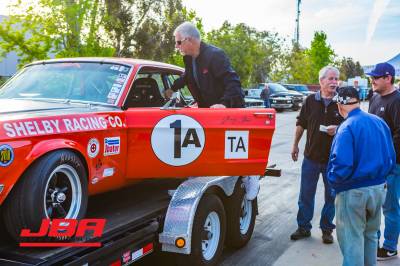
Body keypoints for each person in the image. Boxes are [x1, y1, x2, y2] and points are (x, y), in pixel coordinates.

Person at [328, 86, 395, 266]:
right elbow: (391, 156)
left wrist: (334, 183)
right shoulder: (379, 122)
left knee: (352, 242)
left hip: (353, 192)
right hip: (378, 189)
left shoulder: (346, 127)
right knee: (371, 236)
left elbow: (341, 165)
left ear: (340, 104)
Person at [290, 66, 344, 244]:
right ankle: (304, 227)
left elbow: (351, 125)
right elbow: (301, 123)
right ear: (321, 81)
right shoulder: (310, 101)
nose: (334, 82)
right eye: (331, 79)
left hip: (333, 161)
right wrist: (295, 144)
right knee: (306, 195)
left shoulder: (342, 102)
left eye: (336, 79)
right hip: (311, 158)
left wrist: (337, 129)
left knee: (331, 196)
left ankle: (327, 229)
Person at [166, 22, 245, 108]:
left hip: (227, 113)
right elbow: (187, 76)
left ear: (189, 40)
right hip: (207, 112)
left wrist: (224, 104)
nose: (176, 46)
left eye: (178, 42)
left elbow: (233, 83)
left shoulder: (215, 55)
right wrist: (172, 89)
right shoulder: (188, 58)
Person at [367, 62, 400, 260]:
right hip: (375, 163)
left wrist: (386, 161)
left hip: (391, 164)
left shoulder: (397, 101)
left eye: (376, 77)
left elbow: (399, 135)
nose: (372, 80)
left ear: (388, 78)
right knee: (374, 205)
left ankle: (389, 246)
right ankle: (373, 243)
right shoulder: (375, 97)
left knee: (390, 206)